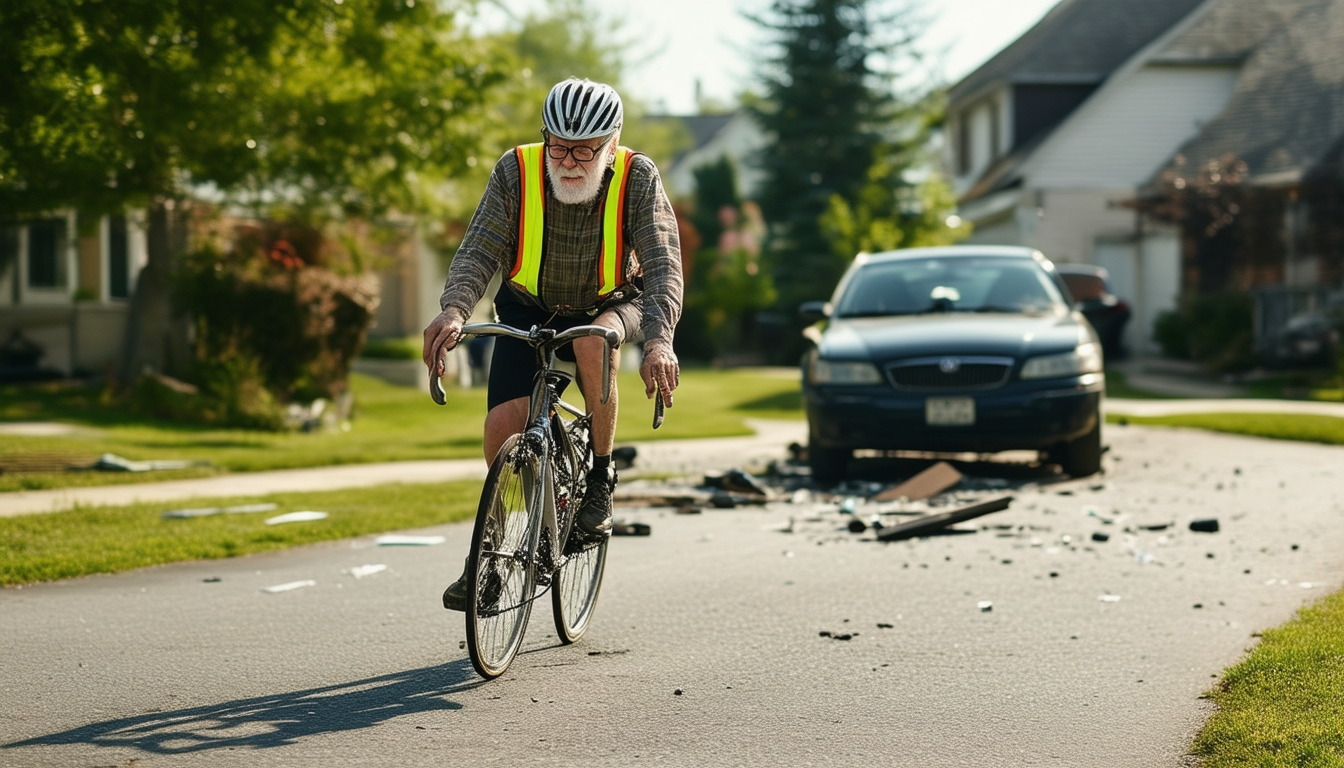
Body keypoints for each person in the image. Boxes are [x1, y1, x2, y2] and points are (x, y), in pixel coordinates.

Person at [423, 78, 683, 612]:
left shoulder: (637, 176)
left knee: (593, 342)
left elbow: (662, 265)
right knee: (501, 433)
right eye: (559, 146)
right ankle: (489, 560)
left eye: (585, 149)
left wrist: (659, 341)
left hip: (613, 300)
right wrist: (454, 308)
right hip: (528, 304)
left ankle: (600, 479)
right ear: (545, 136)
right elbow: (479, 249)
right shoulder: (515, 171)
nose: (569, 160)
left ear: (611, 143)